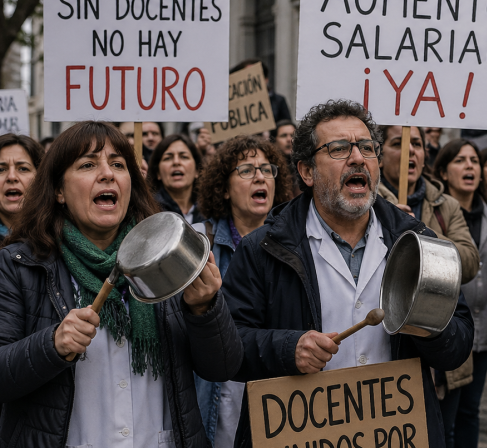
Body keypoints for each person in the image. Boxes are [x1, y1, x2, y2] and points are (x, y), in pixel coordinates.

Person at [223, 100, 474, 448]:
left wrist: (425, 322)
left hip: (396, 433)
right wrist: (287, 348)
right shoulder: (262, 249)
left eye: (367, 147)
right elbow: (227, 350)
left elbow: (458, 344)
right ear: (307, 172)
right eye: (339, 148)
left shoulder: (418, 243)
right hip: (304, 435)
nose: (357, 158)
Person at [0, 121, 242, 447]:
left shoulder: (166, 254)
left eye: (118, 164)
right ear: (58, 190)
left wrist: (205, 310)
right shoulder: (20, 265)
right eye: (88, 164)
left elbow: (223, 366)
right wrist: (52, 344)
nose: (107, 174)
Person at [190, 135, 291, 447]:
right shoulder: (197, 245)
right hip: (216, 402)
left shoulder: (299, 246)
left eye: (267, 169)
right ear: (223, 187)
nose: (260, 177)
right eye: (246, 170)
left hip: (280, 404)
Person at [433, 139, 487, 448]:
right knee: (445, 419)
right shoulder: (436, 213)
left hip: (483, 330)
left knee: (471, 413)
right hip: (448, 331)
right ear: (444, 173)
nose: (470, 167)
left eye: (474, 160)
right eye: (461, 161)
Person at [376, 124, 479, 284]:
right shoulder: (368, 206)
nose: (410, 150)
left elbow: (469, 265)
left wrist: (420, 231)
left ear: (424, 157)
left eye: (417, 144)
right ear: (379, 158)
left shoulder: (447, 205)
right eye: (398, 143)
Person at [147, 134, 205, 224]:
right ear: (158, 172)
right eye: (168, 158)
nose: (176, 162)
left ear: (197, 170)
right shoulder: (147, 211)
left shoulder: (212, 211)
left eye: (184, 157)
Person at [0, 134, 43, 242]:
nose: (12, 177)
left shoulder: (60, 237)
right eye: (1, 170)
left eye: (23, 168)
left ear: (41, 177)